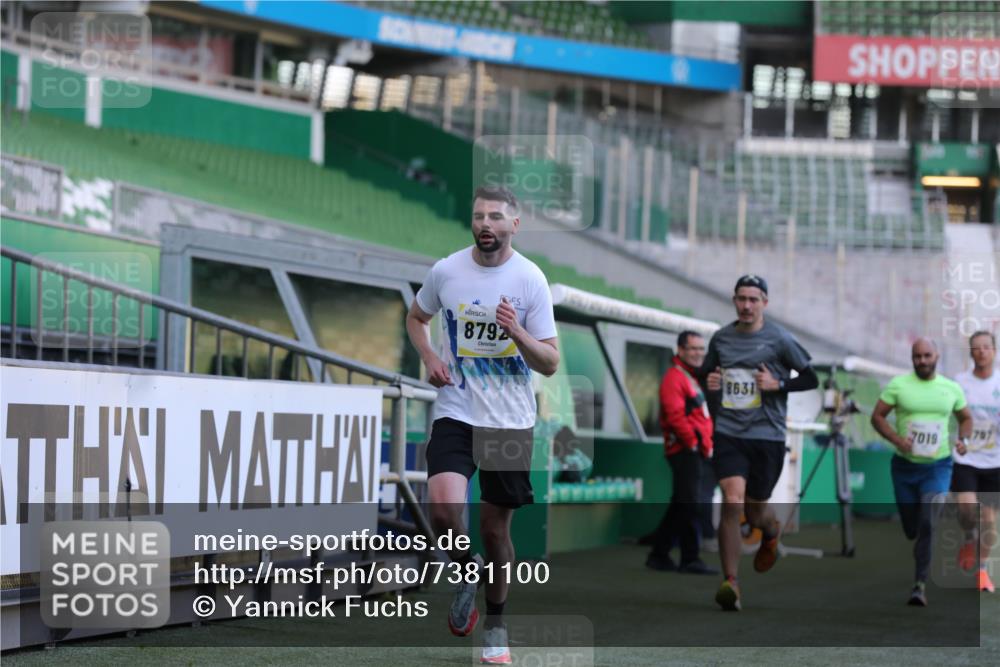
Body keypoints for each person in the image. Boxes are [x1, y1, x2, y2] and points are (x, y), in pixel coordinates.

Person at [406, 185, 559, 664]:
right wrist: (429, 354)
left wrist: (516, 331)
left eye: (495, 217)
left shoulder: (531, 280)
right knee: (444, 514)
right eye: (478, 216)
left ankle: (495, 625)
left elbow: (551, 362)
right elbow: (416, 317)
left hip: (509, 423)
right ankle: (465, 569)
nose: (485, 224)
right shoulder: (447, 270)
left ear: (515, 224)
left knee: (495, 533)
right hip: (456, 409)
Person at [703, 274, 818, 611]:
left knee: (755, 514)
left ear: (764, 303)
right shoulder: (722, 339)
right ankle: (731, 583)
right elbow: (708, 376)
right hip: (729, 434)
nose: (747, 305)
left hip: (766, 436)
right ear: (734, 300)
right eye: (741, 298)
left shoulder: (781, 340)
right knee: (731, 500)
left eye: (754, 299)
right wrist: (710, 382)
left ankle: (770, 530)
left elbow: (811, 378)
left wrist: (778, 384)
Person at [871, 337, 972, 606]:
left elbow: (966, 418)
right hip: (904, 466)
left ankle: (919, 584)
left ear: (937, 356)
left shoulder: (951, 388)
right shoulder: (898, 385)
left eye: (927, 355)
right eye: (917, 356)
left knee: (928, 522)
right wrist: (896, 439)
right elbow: (877, 416)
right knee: (911, 527)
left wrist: (964, 440)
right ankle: (916, 534)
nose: (923, 361)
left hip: (938, 466)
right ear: (912, 358)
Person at [646, 330, 717, 575]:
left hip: (692, 449)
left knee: (682, 504)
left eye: (701, 349)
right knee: (689, 505)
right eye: (693, 348)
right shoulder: (674, 377)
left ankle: (661, 554)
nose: (698, 353)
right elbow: (675, 416)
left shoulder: (688, 376)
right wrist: (694, 443)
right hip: (684, 450)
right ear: (681, 350)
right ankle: (687, 558)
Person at [952, 331, 999, 593]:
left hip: (995, 461)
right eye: (976, 348)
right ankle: (969, 537)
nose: (981, 351)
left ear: (994, 351)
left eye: (986, 347)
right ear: (971, 353)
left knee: (990, 522)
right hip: (967, 457)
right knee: (967, 511)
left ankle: (981, 571)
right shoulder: (959, 383)